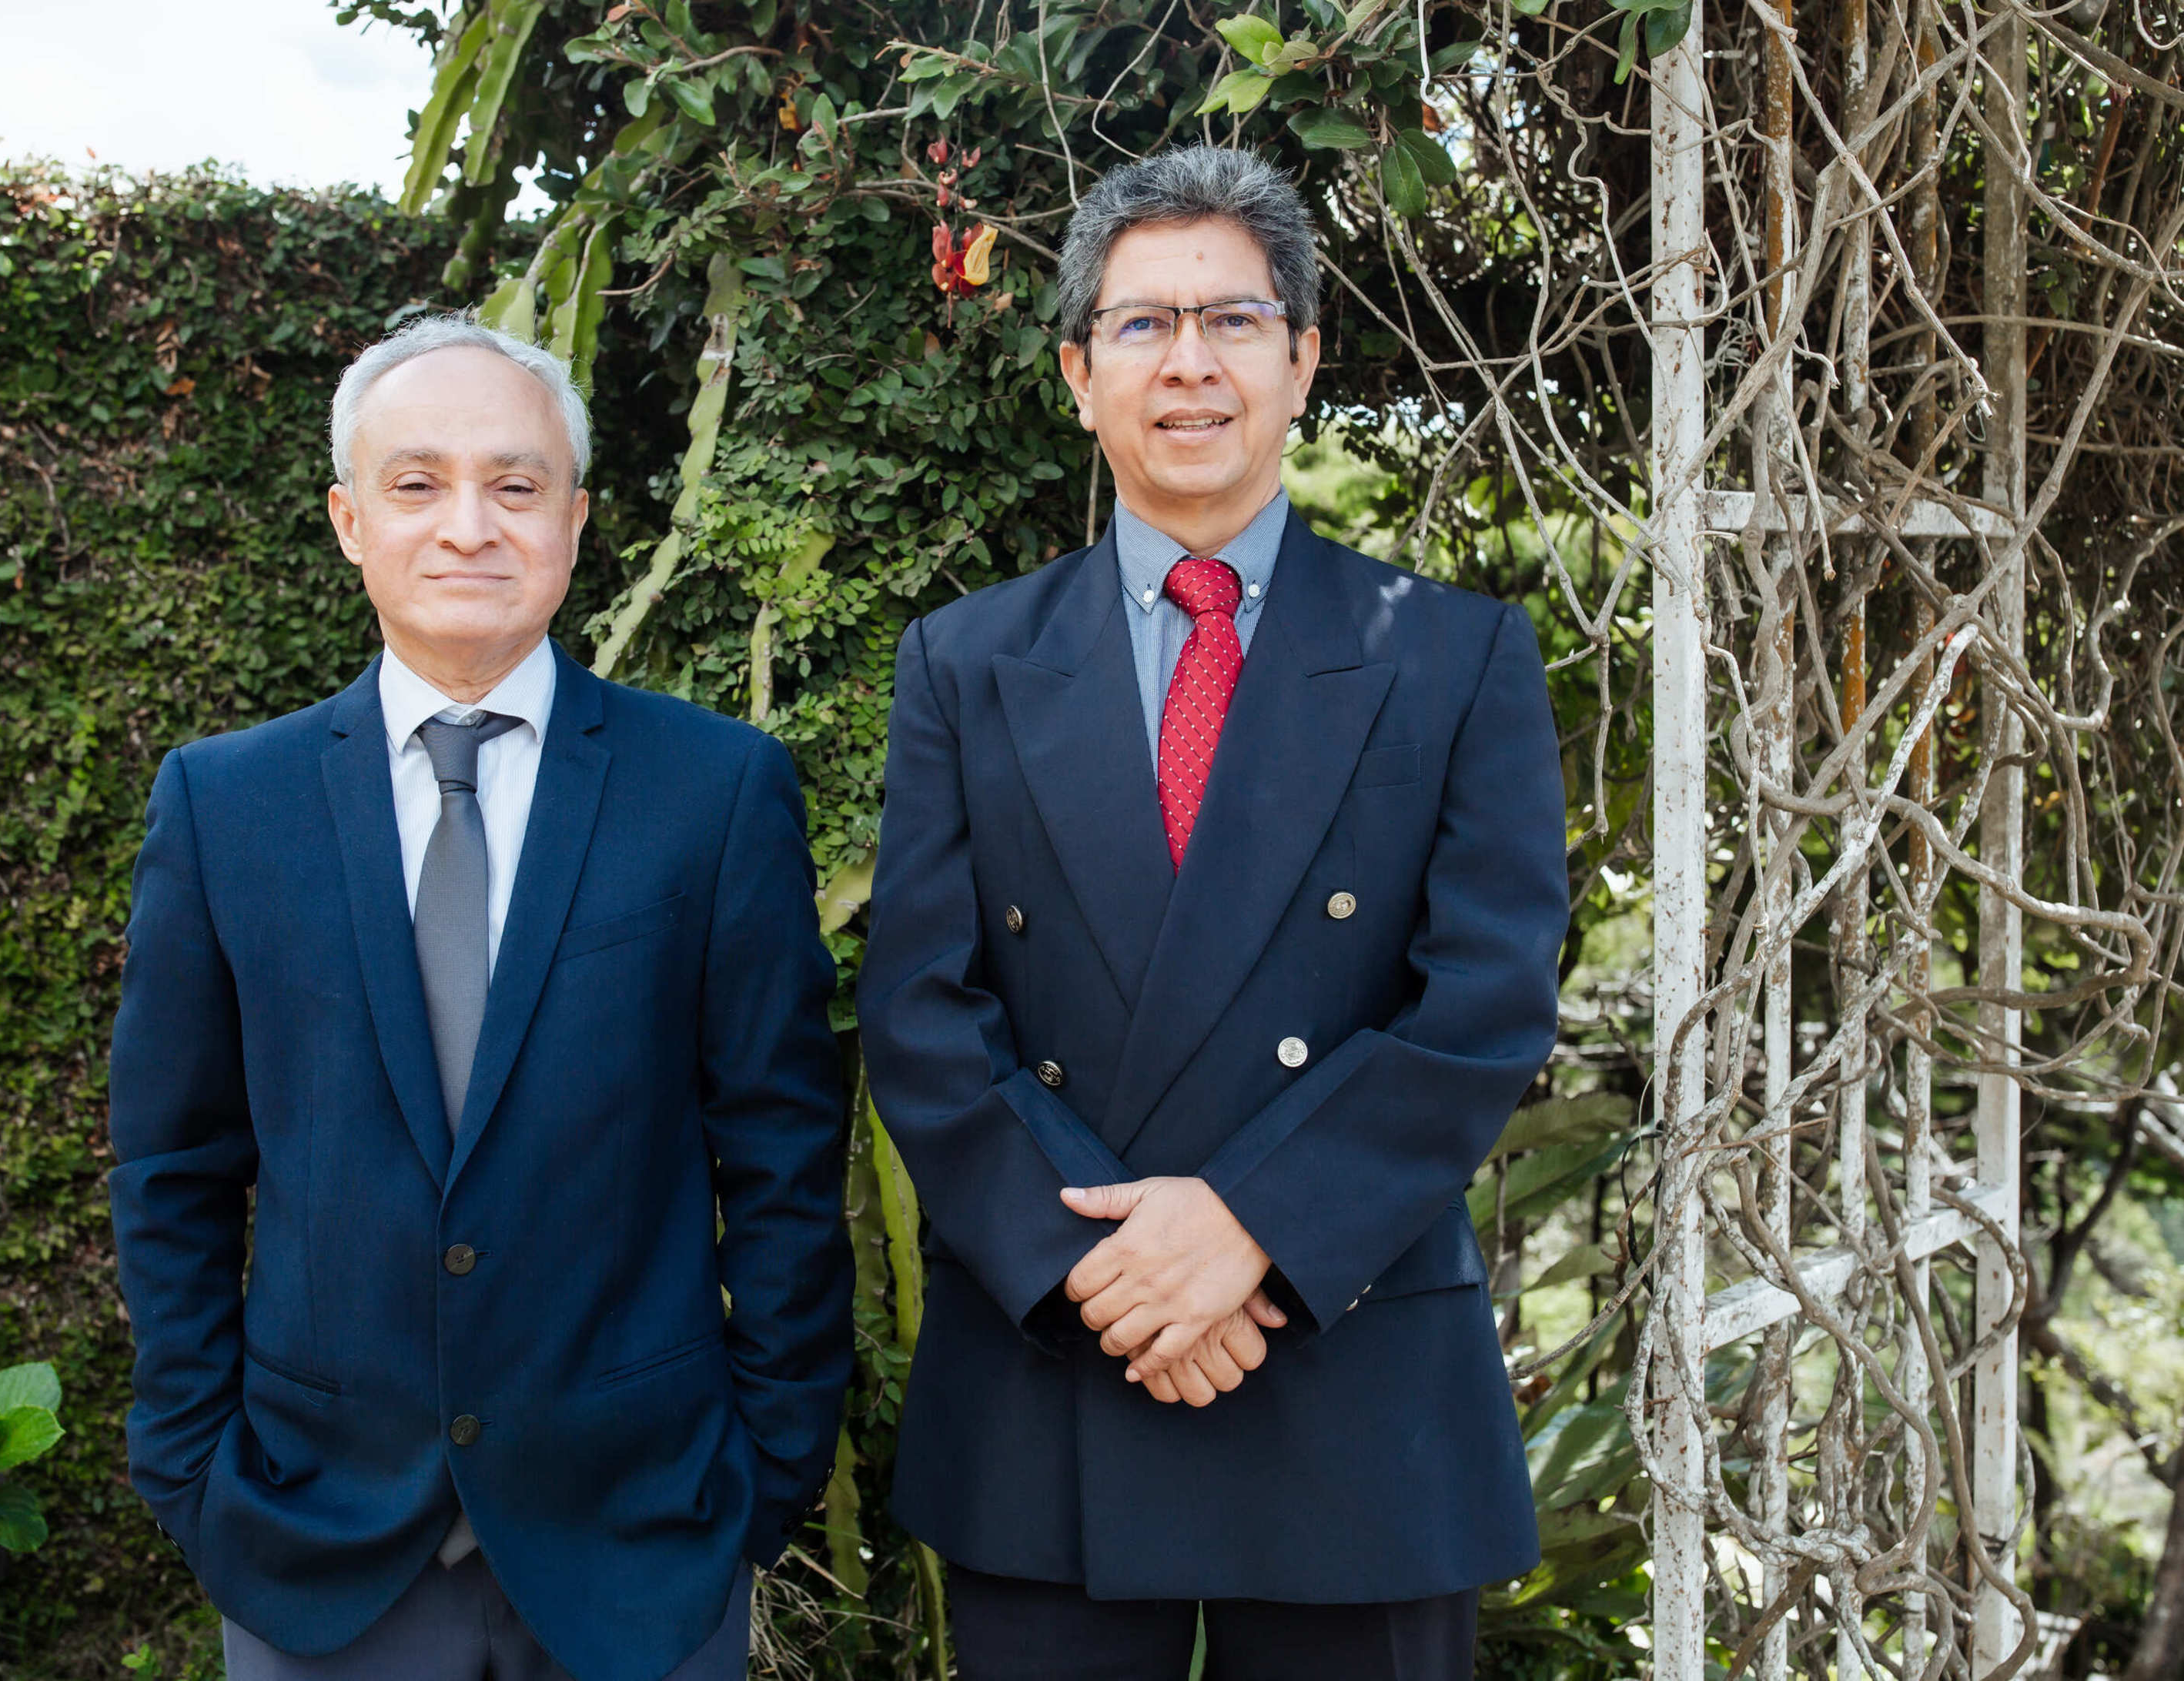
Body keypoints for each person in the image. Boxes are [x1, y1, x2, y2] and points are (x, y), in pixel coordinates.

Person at [856, 145, 1568, 1679]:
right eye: (1142, 324)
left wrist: (1252, 1228)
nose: (1188, 363)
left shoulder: (1453, 658)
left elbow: (1485, 1006)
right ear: (1078, 374)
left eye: (1234, 321)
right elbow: (918, 1010)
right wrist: (1112, 1278)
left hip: (1349, 1367)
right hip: (1058, 1361)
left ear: (1301, 361)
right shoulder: (962, 663)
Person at [107, 314, 852, 1681]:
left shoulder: (713, 791)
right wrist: (191, 1464)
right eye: (416, 483)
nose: (469, 526)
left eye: (515, 484)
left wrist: (770, 1463)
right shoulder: (225, 805)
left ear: (575, 520)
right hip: (315, 1544)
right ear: (349, 521)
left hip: (645, 1537)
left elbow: (783, 1152)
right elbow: (173, 1166)